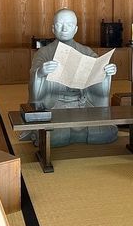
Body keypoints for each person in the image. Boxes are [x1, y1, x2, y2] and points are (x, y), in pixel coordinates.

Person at [28, 8, 118, 147]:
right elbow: (35, 80)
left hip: (82, 103)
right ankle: (71, 133)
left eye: (69, 25)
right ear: (53, 28)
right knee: (55, 137)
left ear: (76, 29)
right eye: (59, 24)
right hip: (55, 105)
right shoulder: (44, 52)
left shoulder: (86, 51)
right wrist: (40, 72)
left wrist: (106, 72)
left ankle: (72, 133)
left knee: (105, 133)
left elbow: (97, 73)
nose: (64, 28)